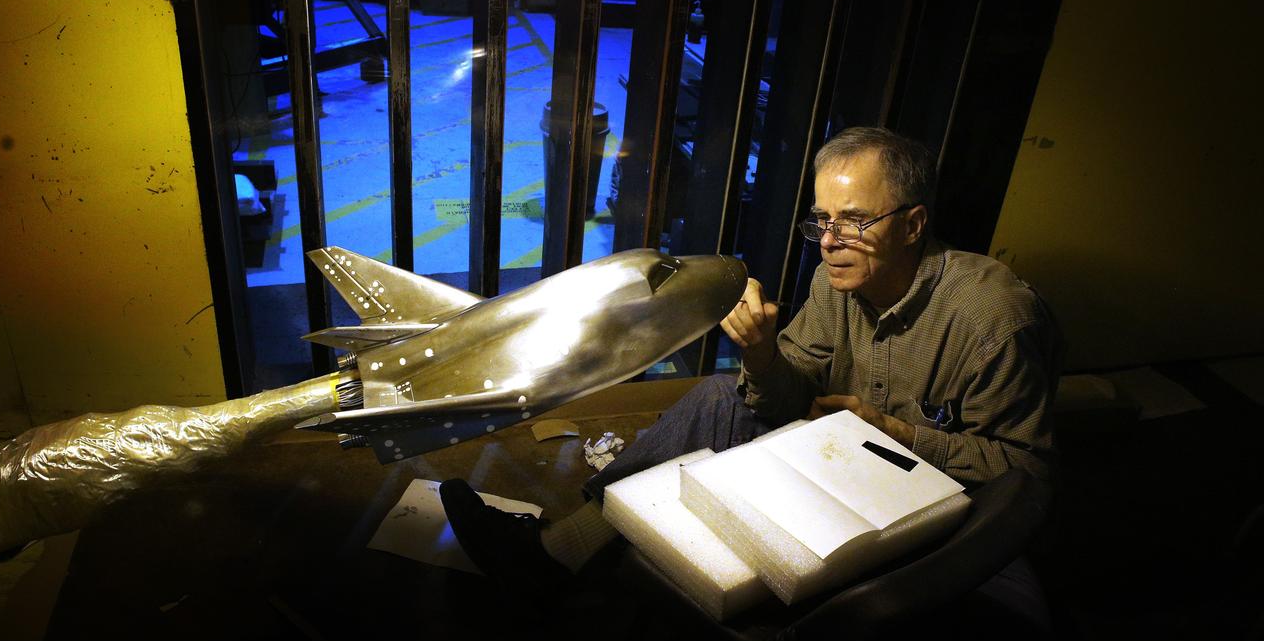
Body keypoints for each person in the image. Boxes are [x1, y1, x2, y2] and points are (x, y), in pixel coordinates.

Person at [441, 126, 1060, 607]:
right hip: (843, 465)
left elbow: (1024, 471)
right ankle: (559, 551)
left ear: (914, 225)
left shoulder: (993, 318)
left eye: (854, 222)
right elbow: (784, 400)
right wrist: (761, 354)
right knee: (719, 397)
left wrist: (896, 433)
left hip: (937, 504)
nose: (828, 241)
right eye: (822, 221)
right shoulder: (834, 282)